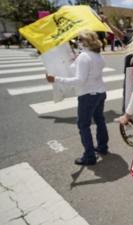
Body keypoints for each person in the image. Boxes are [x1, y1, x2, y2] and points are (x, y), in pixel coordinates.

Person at [46, 30, 109, 165]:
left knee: (83, 125)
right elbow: (90, 71)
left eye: (79, 40)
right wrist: (77, 61)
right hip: (100, 92)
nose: (77, 43)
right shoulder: (98, 55)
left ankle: (89, 156)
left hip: (88, 95)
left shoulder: (84, 57)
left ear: (85, 42)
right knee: (100, 120)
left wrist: (56, 79)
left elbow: (80, 80)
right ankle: (103, 147)